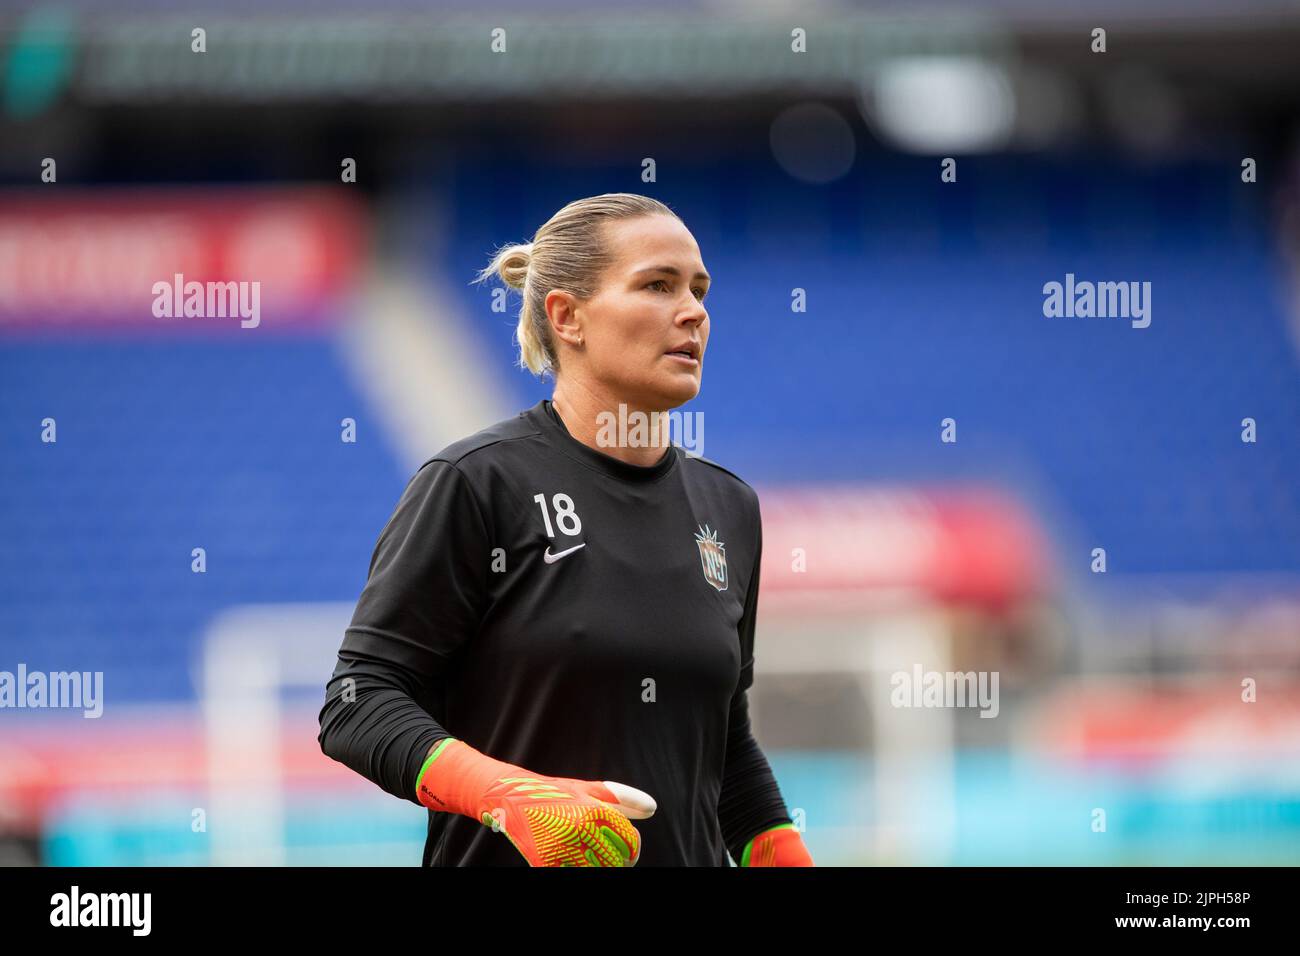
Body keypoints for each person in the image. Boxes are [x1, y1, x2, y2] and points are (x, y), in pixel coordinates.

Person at [318, 192, 813, 867]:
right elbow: (358, 703)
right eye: (658, 285)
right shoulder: (476, 483)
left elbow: (724, 745)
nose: (694, 311)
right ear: (568, 316)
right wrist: (509, 795)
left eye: (699, 289)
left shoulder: (729, 507)